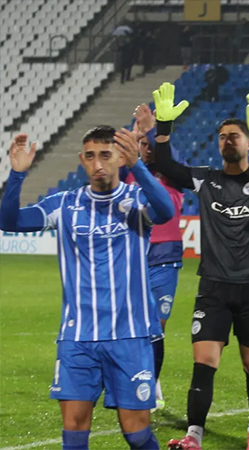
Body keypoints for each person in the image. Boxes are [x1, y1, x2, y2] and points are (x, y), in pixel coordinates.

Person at [0, 128, 175, 450]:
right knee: (74, 434)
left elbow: (166, 211)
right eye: (91, 156)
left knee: (136, 434)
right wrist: (17, 174)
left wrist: (138, 167)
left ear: (119, 158)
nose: (98, 164)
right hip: (77, 337)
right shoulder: (64, 204)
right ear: (82, 160)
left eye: (106, 155)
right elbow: (8, 221)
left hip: (129, 336)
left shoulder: (135, 201)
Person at [151, 84, 249, 450]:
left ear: (248, 143)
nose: (228, 141)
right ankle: (194, 435)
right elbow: (165, 166)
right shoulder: (205, 178)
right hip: (212, 287)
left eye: (235, 136)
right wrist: (163, 129)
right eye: (223, 136)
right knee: (203, 363)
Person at [123, 103, 186, 412]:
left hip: (164, 258)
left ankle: (152, 383)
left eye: (150, 145)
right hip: (133, 258)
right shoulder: (130, 173)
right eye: (143, 146)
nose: (147, 149)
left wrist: (152, 130)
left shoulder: (173, 171)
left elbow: (171, 159)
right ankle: (140, 379)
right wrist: (133, 137)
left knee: (156, 325)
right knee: (136, 326)